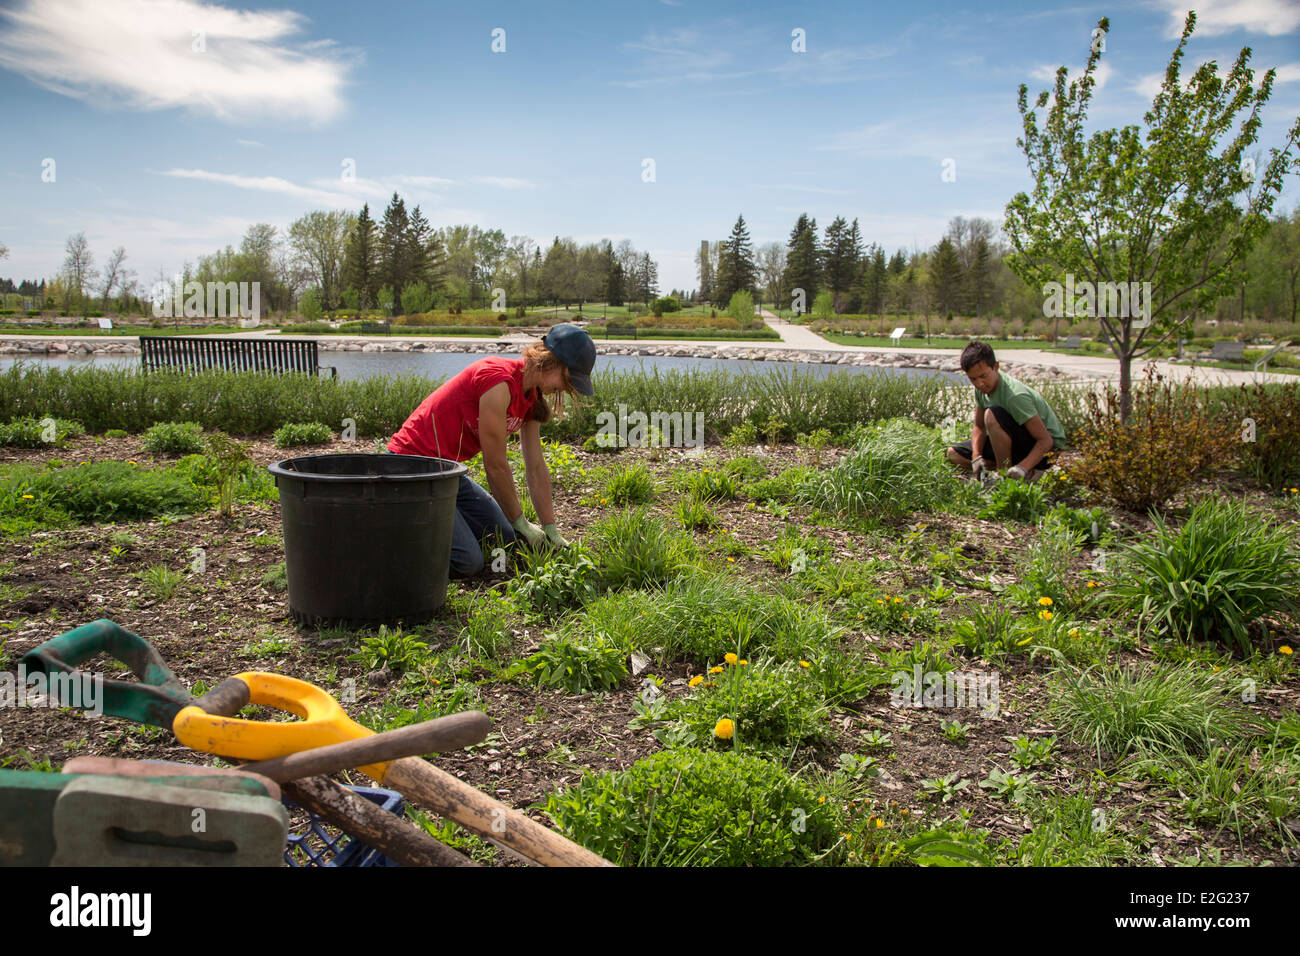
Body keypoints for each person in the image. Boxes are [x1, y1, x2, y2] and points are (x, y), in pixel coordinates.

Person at [387, 324, 596, 577]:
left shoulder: (532, 397)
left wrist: (550, 527)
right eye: (568, 379)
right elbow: (495, 466)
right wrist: (521, 522)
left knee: (505, 538)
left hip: (447, 473)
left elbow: (536, 467)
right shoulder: (497, 380)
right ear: (550, 361)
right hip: (411, 467)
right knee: (467, 562)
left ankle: (427, 524)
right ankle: (390, 539)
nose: (566, 388)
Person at [946, 341, 1065, 481]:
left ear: (995, 367)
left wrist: (1023, 468)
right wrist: (976, 458)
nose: (979, 384)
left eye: (983, 376)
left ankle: (1008, 476)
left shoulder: (1015, 395)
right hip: (1013, 443)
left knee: (992, 414)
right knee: (953, 454)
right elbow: (979, 427)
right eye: (973, 379)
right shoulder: (982, 389)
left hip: (1046, 452)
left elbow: (1046, 441)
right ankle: (1008, 471)